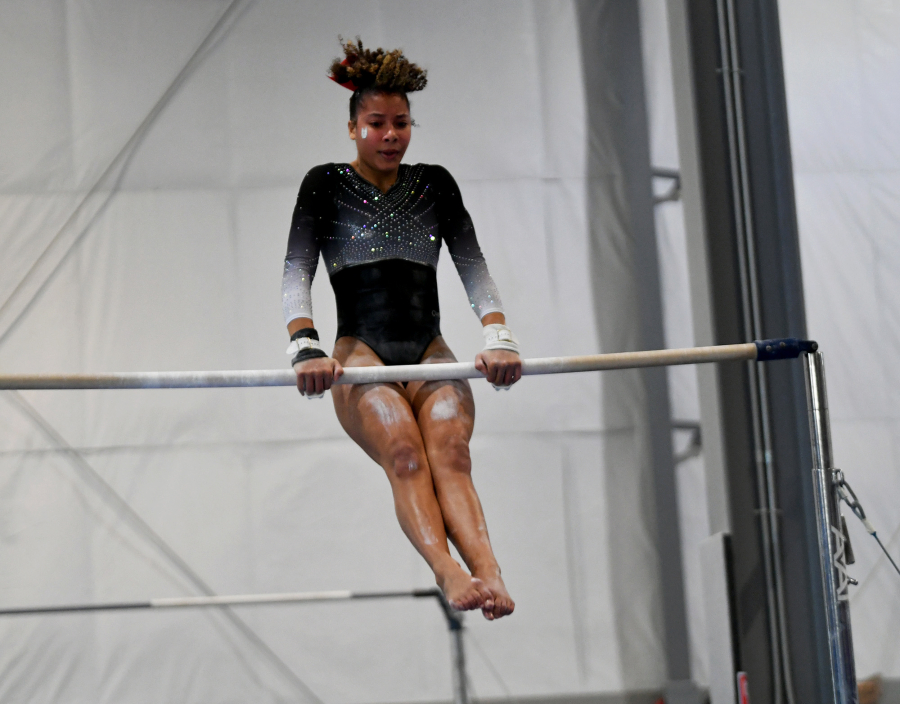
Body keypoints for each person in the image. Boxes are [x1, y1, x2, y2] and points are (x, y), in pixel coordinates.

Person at [281, 39, 519, 620]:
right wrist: (304, 346)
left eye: (402, 124)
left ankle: (489, 572)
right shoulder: (325, 184)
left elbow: (472, 265)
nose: (391, 135)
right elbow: (295, 272)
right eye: (378, 124)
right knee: (407, 454)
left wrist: (497, 336)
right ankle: (447, 570)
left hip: (429, 348)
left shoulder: (434, 183)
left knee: (452, 454)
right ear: (352, 126)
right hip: (358, 351)